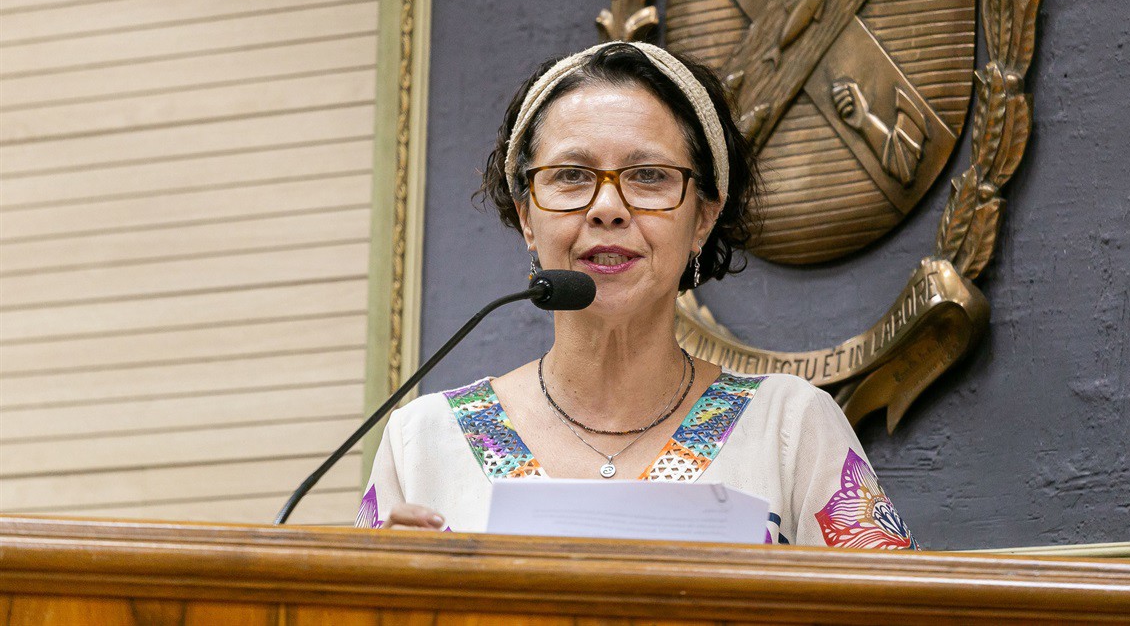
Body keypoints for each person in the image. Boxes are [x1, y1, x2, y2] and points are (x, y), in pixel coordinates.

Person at [356, 41, 915, 549]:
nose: (608, 207)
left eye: (648, 176)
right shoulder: (421, 442)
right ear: (527, 215)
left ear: (704, 217)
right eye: (571, 176)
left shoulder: (792, 427)